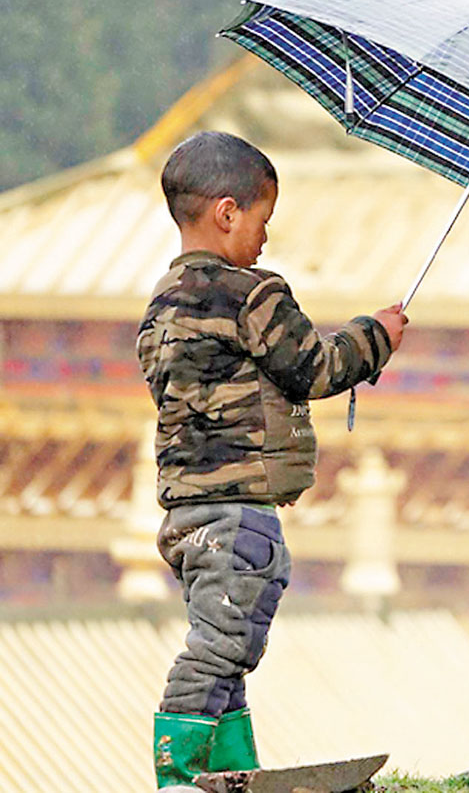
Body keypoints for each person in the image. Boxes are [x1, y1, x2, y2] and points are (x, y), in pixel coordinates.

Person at [136, 131, 408, 790]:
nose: (264, 239)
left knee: (228, 644)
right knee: (222, 647)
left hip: (185, 512)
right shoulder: (254, 294)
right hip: (239, 510)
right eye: (263, 220)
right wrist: (376, 336)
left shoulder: (159, 307)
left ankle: (231, 770)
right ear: (228, 212)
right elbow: (314, 369)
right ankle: (179, 774)